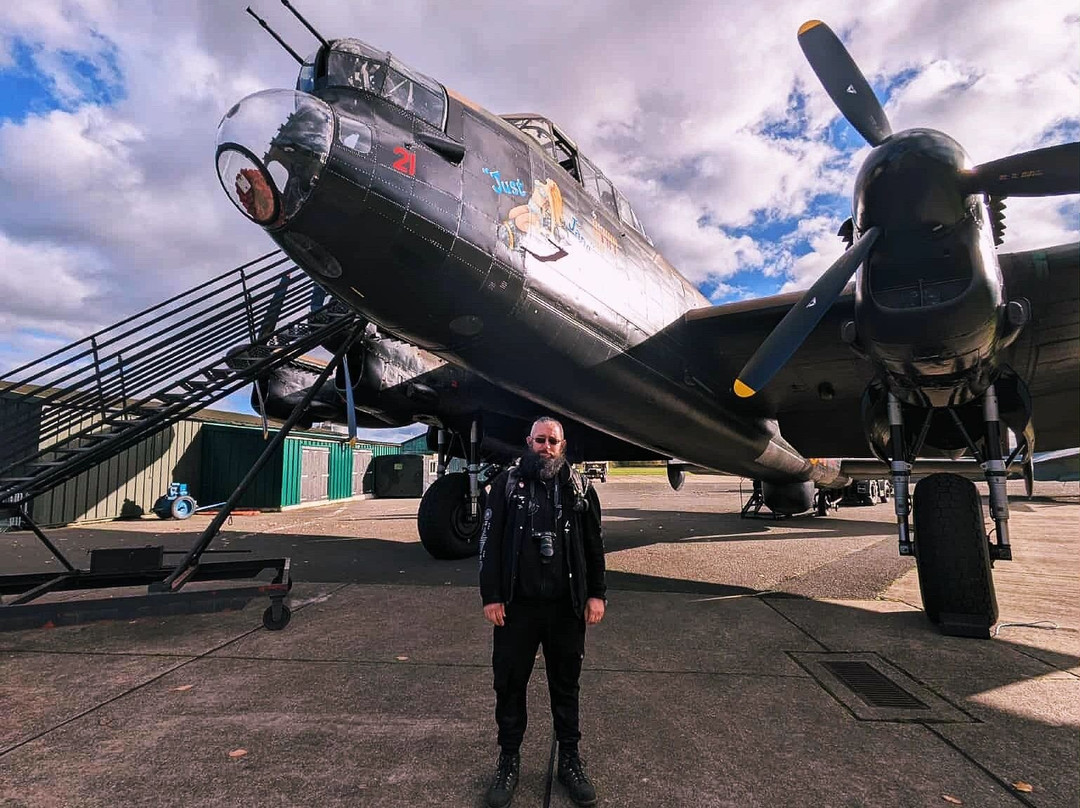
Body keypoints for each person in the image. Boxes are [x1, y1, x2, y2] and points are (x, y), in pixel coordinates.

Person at [479, 416, 607, 808]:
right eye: (539, 440)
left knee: (566, 685)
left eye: (553, 441)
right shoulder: (506, 485)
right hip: (517, 607)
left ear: (563, 445)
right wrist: (492, 596)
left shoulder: (580, 487)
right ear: (528, 442)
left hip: (566, 608)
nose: (546, 447)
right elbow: (490, 541)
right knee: (510, 684)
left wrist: (596, 594)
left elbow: (594, 545)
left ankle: (569, 759)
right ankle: (508, 759)